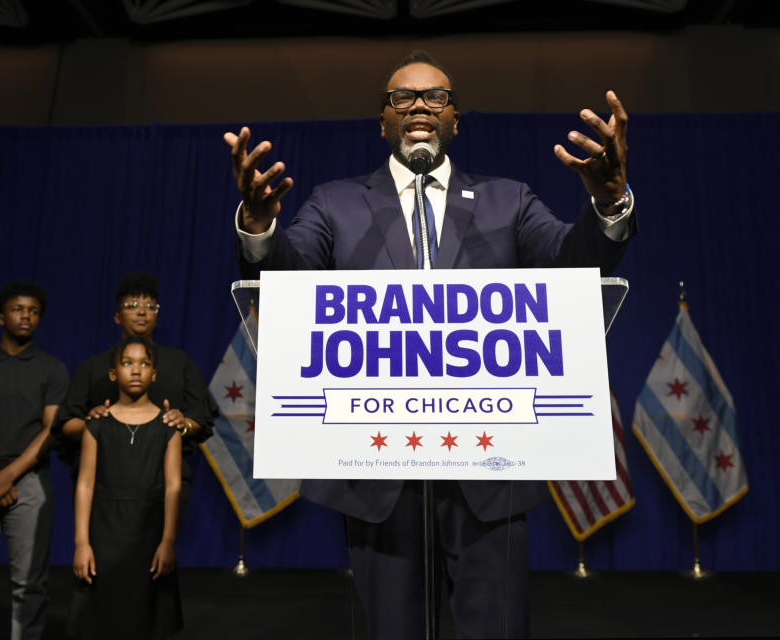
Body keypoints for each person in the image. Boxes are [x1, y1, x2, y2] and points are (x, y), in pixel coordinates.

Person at [224, 50, 636, 639]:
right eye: (403, 97)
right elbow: (290, 276)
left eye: (436, 96)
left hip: (491, 471)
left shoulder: (508, 200)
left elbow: (575, 265)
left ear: (456, 120)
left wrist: (608, 204)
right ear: (383, 120)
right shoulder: (335, 203)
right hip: (376, 471)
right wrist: (261, 226)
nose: (420, 104)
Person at [52, 270, 215, 638]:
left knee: (152, 583)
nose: (141, 312)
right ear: (116, 316)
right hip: (106, 495)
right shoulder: (94, 367)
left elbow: (203, 419)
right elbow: (65, 424)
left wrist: (180, 422)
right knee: (101, 595)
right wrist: (94, 421)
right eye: (132, 305)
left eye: (150, 306)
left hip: (159, 487)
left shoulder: (179, 362)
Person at [0, 281, 69, 640]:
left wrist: (9, 476)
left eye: (34, 311)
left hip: (30, 479)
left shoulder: (52, 369)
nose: (26, 316)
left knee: (30, 581)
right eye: (19, 309)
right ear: (0, 316)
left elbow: (52, 429)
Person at [72, 335, 183, 639]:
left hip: (148, 530)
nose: (136, 370)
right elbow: (85, 484)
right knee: (102, 617)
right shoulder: (97, 425)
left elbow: (173, 486)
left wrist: (168, 540)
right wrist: (82, 543)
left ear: (154, 374)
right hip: (104, 531)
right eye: (127, 363)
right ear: (113, 373)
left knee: (146, 617)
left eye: (144, 364)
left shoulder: (168, 426)